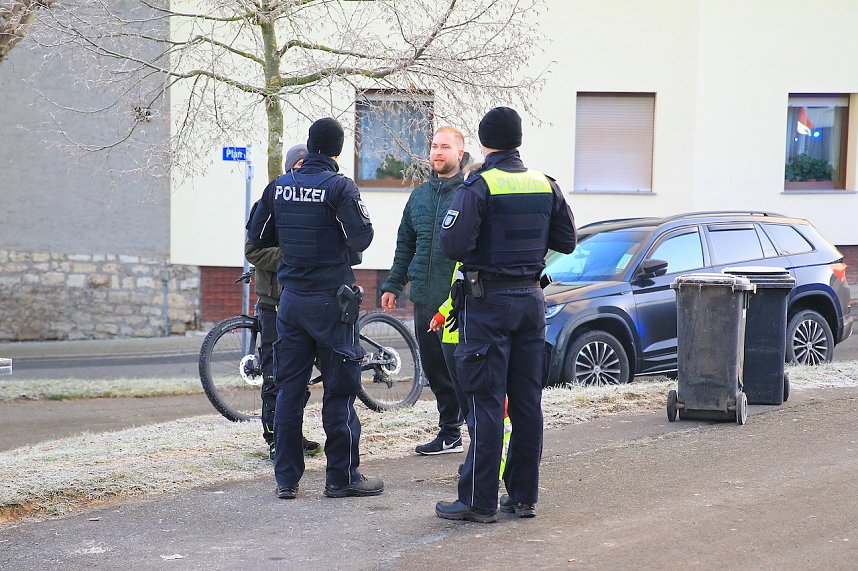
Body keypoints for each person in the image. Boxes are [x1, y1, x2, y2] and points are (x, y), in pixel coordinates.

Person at [436, 107, 577, 523]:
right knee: (527, 403)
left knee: (485, 401)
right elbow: (566, 240)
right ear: (517, 140)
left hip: (488, 304)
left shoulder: (478, 186)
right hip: (532, 302)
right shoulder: (544, 184)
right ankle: (523, 497)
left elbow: (452, 245)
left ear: (483, 142)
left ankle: (478, 502)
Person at [246, 117, 382, 500]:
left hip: (289, 302)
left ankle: (286, 479)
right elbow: (363, 237)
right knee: (340, 389)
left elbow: (257, 235)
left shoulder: (278, 187)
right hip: (331, 303)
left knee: (290, 389)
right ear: (338, 151)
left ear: (309, 146)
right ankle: (341, 477)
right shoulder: (341, 187)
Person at [380, 126, 466, 456]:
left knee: (459, 370)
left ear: (460, 153)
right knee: (434, 368)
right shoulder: (419, 196)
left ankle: (477, 435)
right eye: (434, 146)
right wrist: (393, 284)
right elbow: (406, 244)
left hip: (457, 302)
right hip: (424, 299)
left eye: (445, 147)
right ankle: (450, 433)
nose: (438, 152)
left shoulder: (470, 193)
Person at [244, 143, 322, 461]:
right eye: (301, 164)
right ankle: (275, 438)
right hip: (274, 301)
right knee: (275, 373)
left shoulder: (313, 198)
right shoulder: (272, 198)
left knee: (300, 376)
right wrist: (292, 256)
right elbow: (253, 251)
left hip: (305, 299)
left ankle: (292, 433)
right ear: (292, 166)